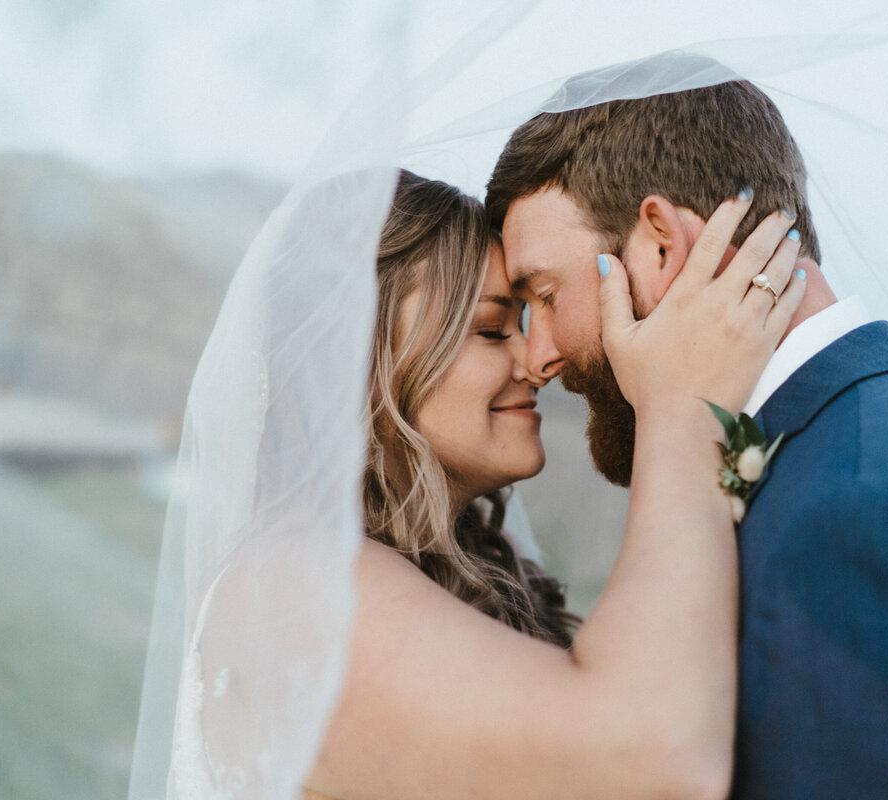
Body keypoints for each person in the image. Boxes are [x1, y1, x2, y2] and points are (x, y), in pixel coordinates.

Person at [485, 79, 888, 798]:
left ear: (656, 246)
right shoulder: (865, 442)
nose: (539, 356)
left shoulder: (861, 513)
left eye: (545, 299)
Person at [165, 168, 805, 800]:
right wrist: (684, 407)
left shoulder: (460, 569)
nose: (536, 362)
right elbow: (654, 768)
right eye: (493, 328)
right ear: (359, 360)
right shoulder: (291, 588)